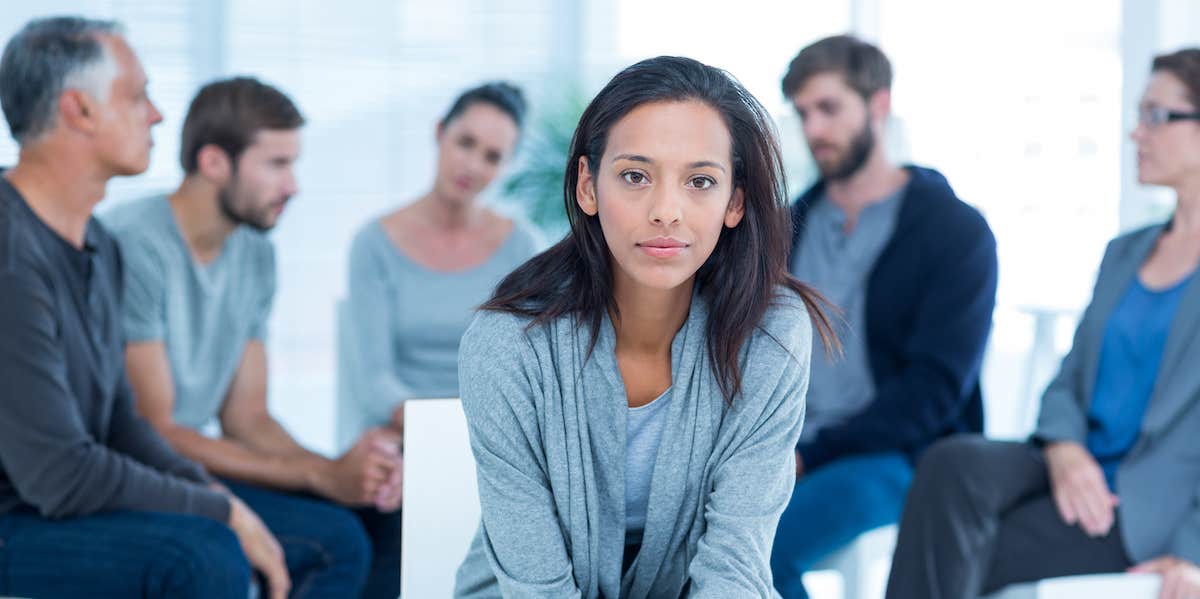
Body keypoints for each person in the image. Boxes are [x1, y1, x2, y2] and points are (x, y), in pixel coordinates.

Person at [452, 55, 837, 599]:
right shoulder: (507, 345)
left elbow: (736, 565)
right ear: (588, 186)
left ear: (735, 202)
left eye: (700, 181)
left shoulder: (771, 334)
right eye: (635, 176)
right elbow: (537, 587)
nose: (666, 210)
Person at [884, 48, 1200, 599]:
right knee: (951, 462)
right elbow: (1068, 379)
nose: (1136, 133)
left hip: (1145, 503)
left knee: (969, 546)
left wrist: (1193, 550)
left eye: (1156, 115)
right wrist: (1065, 448)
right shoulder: (1126, 252)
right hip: (1071, 463)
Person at [0, 16, 288, 598]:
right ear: (78, 111)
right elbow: (60, 476)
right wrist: (222, 514)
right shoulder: (9, 251)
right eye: (138, 97)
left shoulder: (99, 244)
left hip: (50, 507)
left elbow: (119, 422)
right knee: (200, 556)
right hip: (15, 519)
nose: (157, 115)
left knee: (322, 535)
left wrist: (220, 497)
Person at [102, 77, 400, 598]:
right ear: (215, 162)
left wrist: (339, 472)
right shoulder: (135, 245)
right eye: (277, 164)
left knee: (380, 520)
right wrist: (317, 476)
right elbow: (158, 430)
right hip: (132, 471)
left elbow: (247, 417)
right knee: (335, 541)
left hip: (188, 464)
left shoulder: (254, 254)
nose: (293, 187)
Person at [769, 35, 998, 599]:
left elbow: (934, 391)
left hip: (895, 457)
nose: (814, 130)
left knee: (759, 553)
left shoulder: (954, 232)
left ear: (878, 104)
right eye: (803, 113)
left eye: (829, 108)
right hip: (784, 446)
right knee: (677, 541)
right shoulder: (786, 226)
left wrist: (809, 455)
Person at [344, 81, 541, 445]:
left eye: (492, 156)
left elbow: (530, 369)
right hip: (402, 434)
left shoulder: (523, 247)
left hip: (495, 440)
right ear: (440, 133)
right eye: (465, 143)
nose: (472, 165)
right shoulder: (374, 244)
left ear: (506, 166)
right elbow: (374, 379)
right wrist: (435, 430)